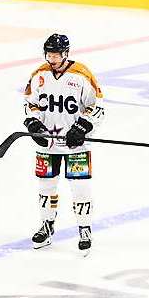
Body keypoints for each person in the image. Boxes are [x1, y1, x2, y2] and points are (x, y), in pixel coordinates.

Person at [23, 34, 103, 255]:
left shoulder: (81, 75)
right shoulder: (40, 74)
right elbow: (30, 103)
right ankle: (47, 226)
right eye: (49, 54)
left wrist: (83, 127)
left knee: (80, 189)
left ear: (66, 53)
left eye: (56, 54)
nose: (52, 58)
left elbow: (96, 105)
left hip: (75, 146)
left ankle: (84, 229)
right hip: (47, 144)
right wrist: (32, 123)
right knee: (46, 187)